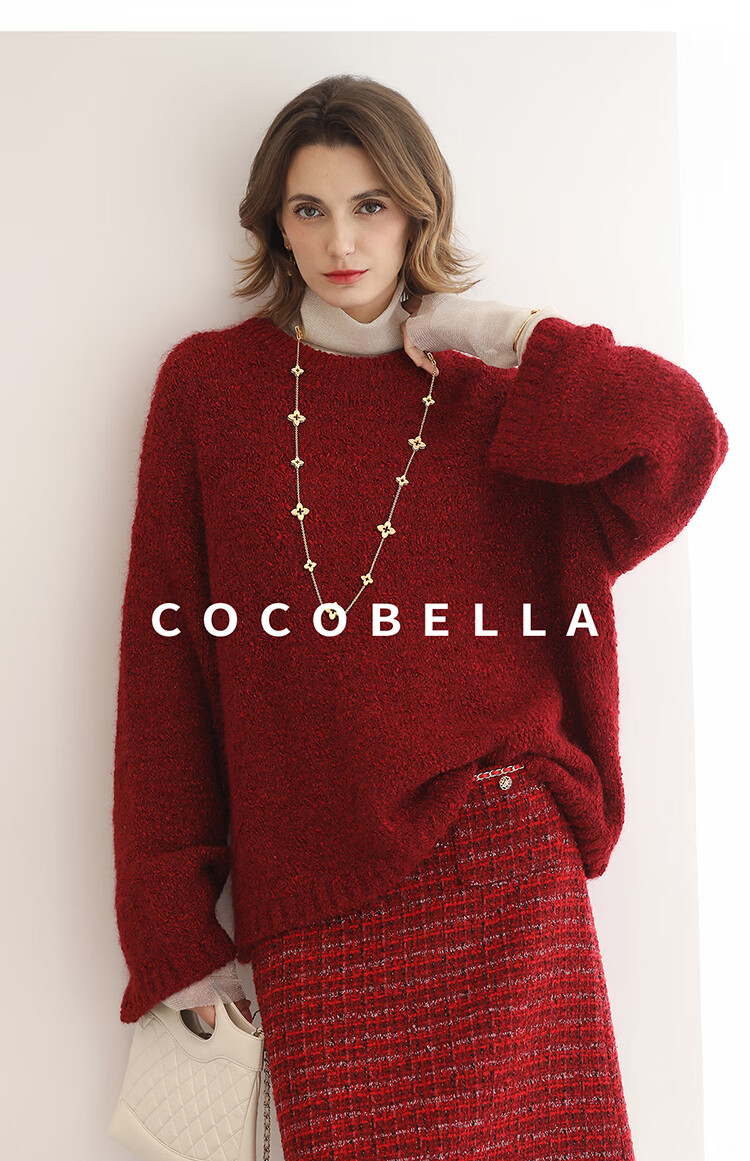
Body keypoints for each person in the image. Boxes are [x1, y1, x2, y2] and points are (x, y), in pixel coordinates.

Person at [111, 74, 729, 1159]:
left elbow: (681, 438)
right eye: (310, 209)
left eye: (372, 205)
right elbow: (166, 669)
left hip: (506, 876)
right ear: (275, 225)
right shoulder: (211, 390)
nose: (342, 240)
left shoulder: (494, 400)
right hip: (316, 886)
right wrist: (172, 923)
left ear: (418, 213)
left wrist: (509, 333)